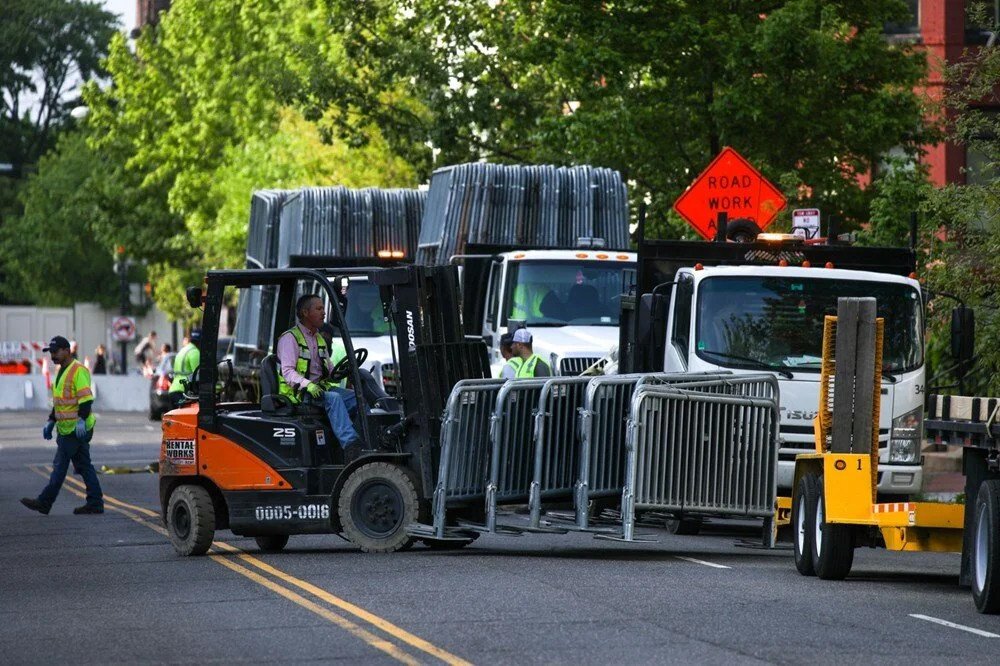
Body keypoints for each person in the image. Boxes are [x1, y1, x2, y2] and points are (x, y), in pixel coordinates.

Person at [20, 336, 104, 515]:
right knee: (83, 465)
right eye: (50, 352)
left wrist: (81, 420)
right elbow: (60, 401)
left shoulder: (78, 370)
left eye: (55, 351)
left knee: (59, 466)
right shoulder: (62, 371)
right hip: (67, 428)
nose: (52, 355)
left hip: (76, 429)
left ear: (67, 350)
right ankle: (95, 502)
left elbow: (86, 400)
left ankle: (44, 502)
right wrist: (52, 420)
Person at [277, 294, 363, 461]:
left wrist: (343, 372)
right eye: (319, 309)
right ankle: (351, 447)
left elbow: (329, 370)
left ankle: (369, 439)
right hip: (299, 393)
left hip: (319, 389)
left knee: (357, 398)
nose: (324, 313)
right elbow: (287, 372)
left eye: (323, 308)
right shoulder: (290, 338)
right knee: (334, 398)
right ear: (305, 312)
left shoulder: (318, 338)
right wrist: (308, 385)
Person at [168, 329, 201, 407]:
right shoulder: (195, 352)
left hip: (173, 390)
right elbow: (199, 375)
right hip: (184, 392)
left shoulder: (182, 350)